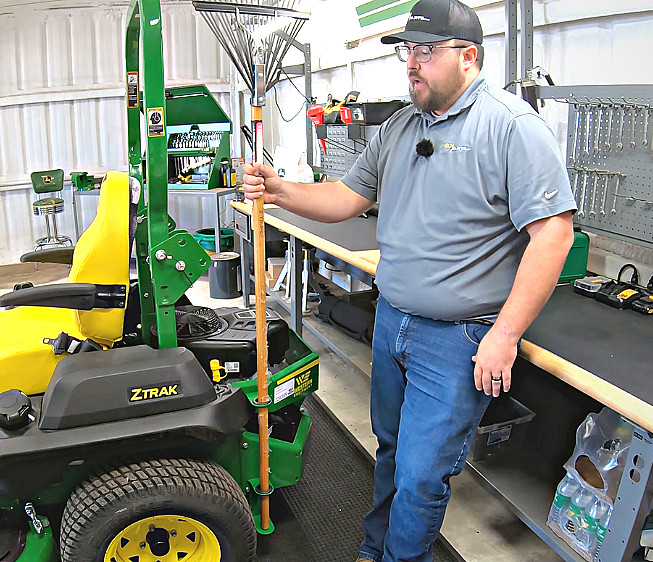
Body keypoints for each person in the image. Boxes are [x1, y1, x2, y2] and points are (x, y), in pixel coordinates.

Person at [242, 0, 577, 560]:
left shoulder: (512, 127)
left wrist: (504, 335)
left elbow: (554, 236)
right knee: (393, 452)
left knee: (422, 475)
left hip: (457, 338)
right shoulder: (401, 125)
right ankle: (376, 551)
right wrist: (281, 191)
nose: (411, 65)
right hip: (393, 318)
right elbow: (349, 197)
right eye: (407, 52)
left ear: (468, 56)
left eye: (426, 52)